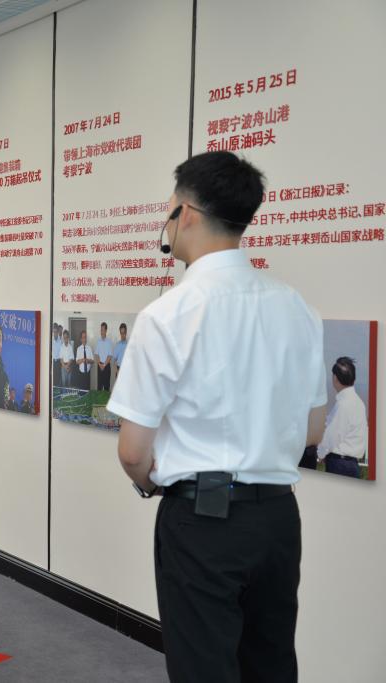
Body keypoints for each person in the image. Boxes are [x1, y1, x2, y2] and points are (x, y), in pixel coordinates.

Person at [107, 151, 326, 683]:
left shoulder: (167, 314)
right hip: (278, 519)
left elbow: (133, 452)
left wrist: (154, 484)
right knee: (271, 664)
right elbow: (314, 430)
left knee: (204, 667)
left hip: (201, 521)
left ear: (185, 213)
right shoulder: (296, 306)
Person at [316, 357, 367, 478]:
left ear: (335, 378)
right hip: (351, 464)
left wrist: (320, 453)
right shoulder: (358, 402)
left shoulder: (343, 404)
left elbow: (332, 435)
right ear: (353, 379)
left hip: (340, 464)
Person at [94, 322, 113, 392]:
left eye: (103, 330)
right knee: (99, 387)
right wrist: (100, 364)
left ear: (106, 330)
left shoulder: (109, 342)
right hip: (99, 366)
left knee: (106, 387)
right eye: (101, 330)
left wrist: (104, 365)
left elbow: (110, 355)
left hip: (106, 366)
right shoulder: (98, 341)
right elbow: (96, 354)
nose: (101, 332)